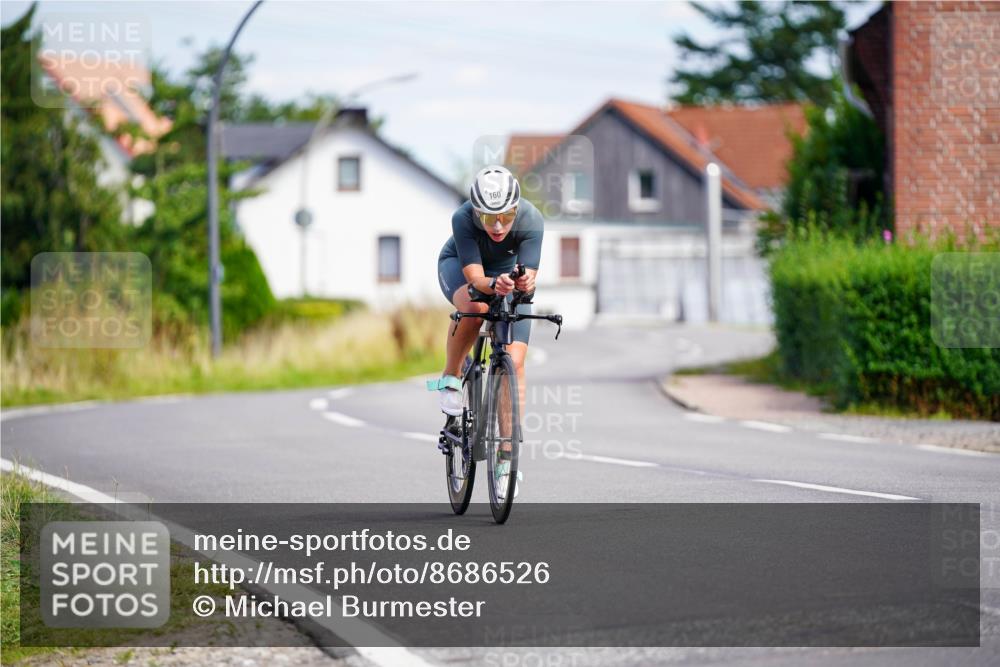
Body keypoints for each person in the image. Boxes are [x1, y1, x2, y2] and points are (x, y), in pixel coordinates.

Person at [427, 165, 544, 497]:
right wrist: (493, 284)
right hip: (464, 270)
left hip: (506, 279)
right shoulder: (462, 219)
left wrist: (525, 281)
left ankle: (506, 457)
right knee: (476, 308)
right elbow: (477, 281)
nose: (497, 225)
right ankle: (451, 376)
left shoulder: (532, 220)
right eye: (488, 217)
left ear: (516, 208)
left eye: (506, 216)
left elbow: (530, 279)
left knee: (515, 363)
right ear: (475, 210)